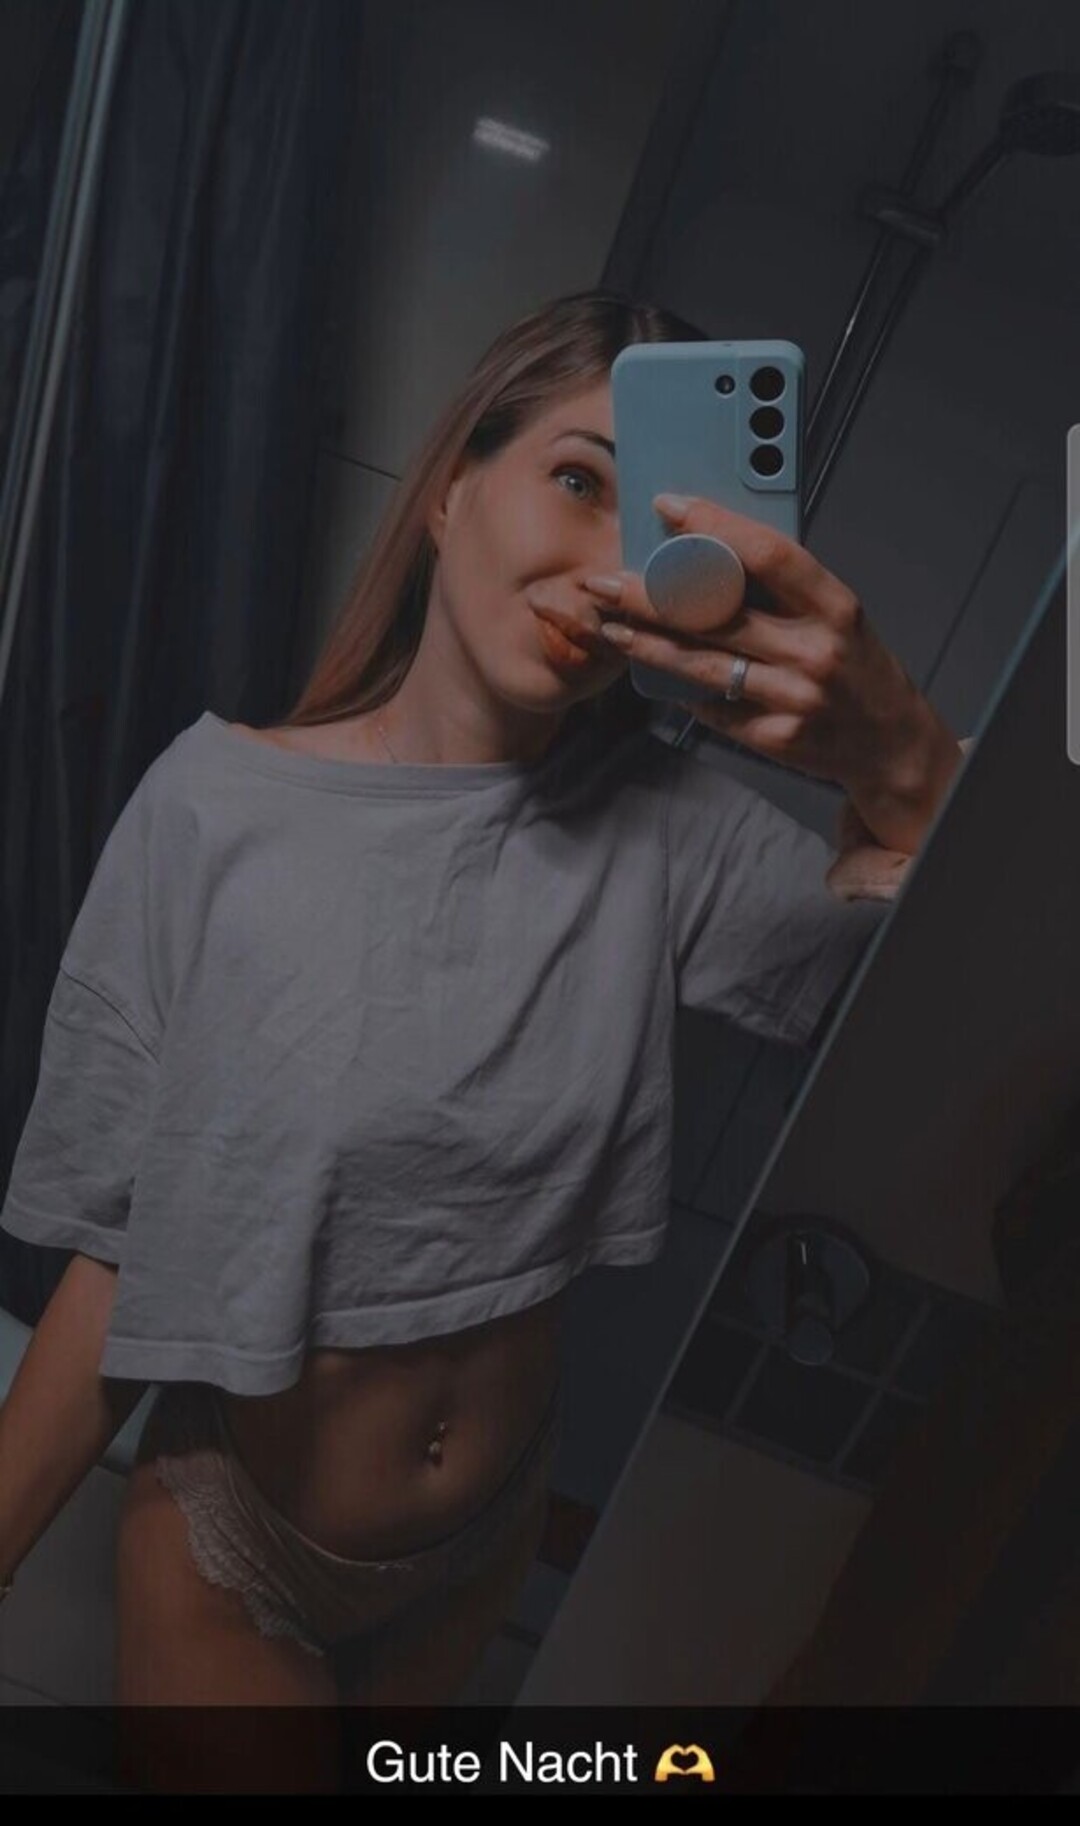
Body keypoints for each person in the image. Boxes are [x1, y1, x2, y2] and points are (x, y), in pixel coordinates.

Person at [0, 290, 964, 1775]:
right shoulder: (218, 811)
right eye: (578, 479)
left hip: (481, 1544)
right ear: (452, 489)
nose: (606, 564)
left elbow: (930, 986)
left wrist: (901, 749)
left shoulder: (661, 832)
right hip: (239, 1542)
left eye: (650, 530)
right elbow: (126, 1246)